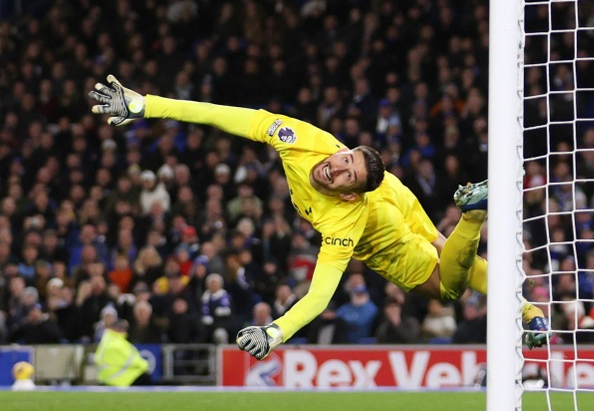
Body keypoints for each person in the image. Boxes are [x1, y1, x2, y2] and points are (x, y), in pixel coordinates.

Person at [89, 75, 550, 359]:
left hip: (402, 250)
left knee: (450, 283)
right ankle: (526, 307)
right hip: (398, 201)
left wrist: (275, 332)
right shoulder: (304, 139)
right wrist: (144, 104)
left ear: (349, 194)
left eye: (347, 172)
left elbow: (319, 295)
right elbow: (220, 115)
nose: (336, 165)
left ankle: (472, 220)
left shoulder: (342, 222)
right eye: (344, 157)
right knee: (453, 255)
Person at [95, 319, 155, 387]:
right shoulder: (118, 343)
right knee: (145, 377)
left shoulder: (106, 340)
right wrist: (145, 365)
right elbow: (133, 361)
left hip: (105, 377)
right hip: (119, 379)